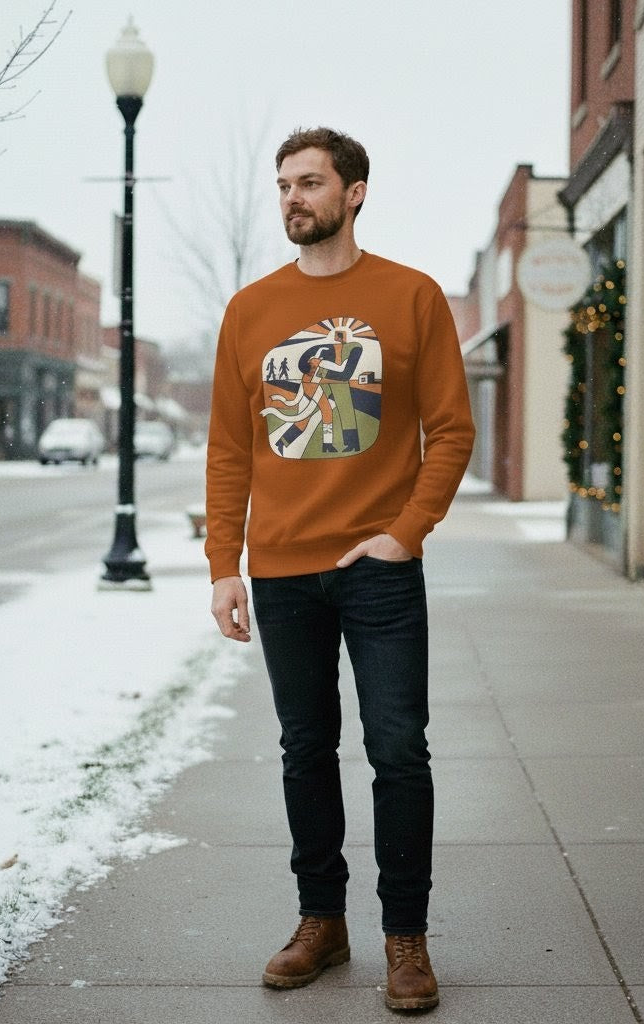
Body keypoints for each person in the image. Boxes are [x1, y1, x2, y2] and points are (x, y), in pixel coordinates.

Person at [205, 126, 474, 1012]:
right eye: (283, 184)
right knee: (303, 750)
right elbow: (230, 450)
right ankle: (322, 921)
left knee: (399, 750)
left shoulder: (410, 297)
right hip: (282, 573)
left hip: (378, 570)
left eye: (310, 183)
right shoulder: (248, 312)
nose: (292, 198)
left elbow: (452, 429)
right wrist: (224, 564)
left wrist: (406, 532)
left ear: (354, 192)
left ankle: (406, 937)